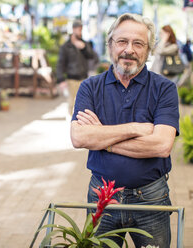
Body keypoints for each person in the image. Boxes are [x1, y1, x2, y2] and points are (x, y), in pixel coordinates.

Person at [70, 13, 179, 248]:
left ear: (149, 49)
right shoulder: (90, 87)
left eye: (138, 43)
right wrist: (134, 128)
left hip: (151, 198)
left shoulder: (165, 89)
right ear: (110, 45)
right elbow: (79, 137)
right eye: (122, 41)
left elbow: (161, 145)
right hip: (102, 197)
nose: (129, 49)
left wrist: (102, 138)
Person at [56, 19, 95, 115]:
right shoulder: (66, 46)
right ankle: (71, 124)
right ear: (74, 29)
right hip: (72, 79)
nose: (80, 32)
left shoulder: (85, 44)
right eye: (78, 29)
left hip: (84, 78)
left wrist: (84, 48)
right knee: (72, 103)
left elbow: (92, 56)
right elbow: (60, 63)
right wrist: (60, 79)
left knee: (84, 103)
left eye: (81, 29)